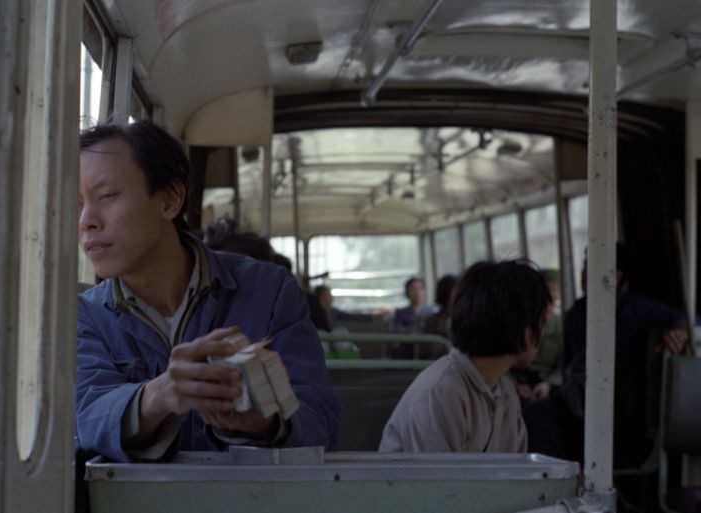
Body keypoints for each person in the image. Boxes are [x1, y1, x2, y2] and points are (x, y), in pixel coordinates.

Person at [76, 121, 341, 463]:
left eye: (107, 196)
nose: (87, 221)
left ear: (170, 200)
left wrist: (266, 424)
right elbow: (83, 418)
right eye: (77, 203)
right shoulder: (85, 316)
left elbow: (322, 418)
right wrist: (159, 395)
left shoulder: (269, 292)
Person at [525, 243, 688, 466]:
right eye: (583, 267)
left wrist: (679, 331)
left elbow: (681, 317)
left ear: (616, 277)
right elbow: (568, 367)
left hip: (618, 409)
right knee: (533, 415)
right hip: (578, 401)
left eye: (590, 268)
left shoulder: (636, 309)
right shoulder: (576, 314)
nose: (583, 275)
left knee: (539, 420)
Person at [379, 260, 551, 453]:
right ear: (523, 328)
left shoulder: (504, 390)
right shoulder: (442, 393)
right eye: (541, 322)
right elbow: (436, 482)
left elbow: (514, 471)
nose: (542, 334)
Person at [511, 269, 563, 401]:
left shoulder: (561, 324)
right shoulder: (516, 321)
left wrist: (549, 384)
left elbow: (565, 363)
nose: (550, 298)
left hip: (548, 384)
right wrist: (513, 385)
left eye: (554, 292)